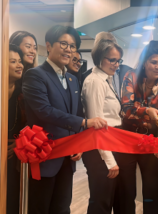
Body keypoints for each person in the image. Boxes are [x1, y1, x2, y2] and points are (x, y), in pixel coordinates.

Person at [22, 25, 106, 214]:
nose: (69, 49)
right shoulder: (35, 75)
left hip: (68, 158)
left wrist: (78, 143)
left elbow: (76, 112)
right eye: (64, 44)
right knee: (40, 208)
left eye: (72, 46)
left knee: (62, 208)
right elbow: (45, 111)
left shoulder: (72, 79)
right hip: (44, 157)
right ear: (49, 46)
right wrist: (84, 123)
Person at [119, 40, 158, 214]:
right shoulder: (131, 76)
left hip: (151, 141)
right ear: (145, 62)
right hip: (128, 138)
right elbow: (126, 109)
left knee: (150, 189)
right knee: (127, 189)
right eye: (154, 62)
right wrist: (148, 111)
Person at [81, 39, 123, 214]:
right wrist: (109, 161)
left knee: (106, 200)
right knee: (101, 203)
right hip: (100, 150)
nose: (116, 64)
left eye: (118, 60)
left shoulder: (107, 79)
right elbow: (95, 124)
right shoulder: (95, 82)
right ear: (99, 58)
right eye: (111, 60)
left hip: (110, 144)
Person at [7, 44, 25, 214]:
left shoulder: (23, 93)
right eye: (13, 61)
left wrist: (19, 142)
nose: (20, 65)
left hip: (15, 154)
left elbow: (30, 125)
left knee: (13, 198)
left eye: (20, 61)